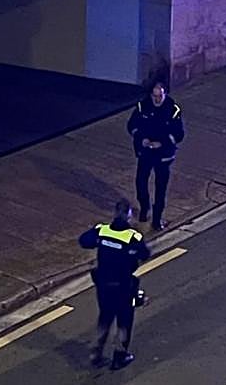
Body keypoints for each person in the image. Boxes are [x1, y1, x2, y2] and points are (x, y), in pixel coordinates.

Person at [79, 199, 149, 369]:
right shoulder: (133, 237)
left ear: (115, 213)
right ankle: (120, 356)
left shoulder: (101, 231)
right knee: (124, 321)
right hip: (123, 285)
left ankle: (96, 353)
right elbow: (144, 254)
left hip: (103, 284)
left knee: (105, 317)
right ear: (129, 216)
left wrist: (102, 244)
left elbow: (84, 241)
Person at [126, 79, 185, 229]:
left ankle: (157, 219)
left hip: (163, 155)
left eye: (160, 96)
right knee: (141, 182)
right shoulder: (142, 107)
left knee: (161, 187)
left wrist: (162, 142)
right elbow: (132, 125)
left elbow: (178, 134)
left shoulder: (172, 109)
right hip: (145, 151)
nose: (157, 99)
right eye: (155, 96)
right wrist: (142, 139)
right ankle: (144, 207)